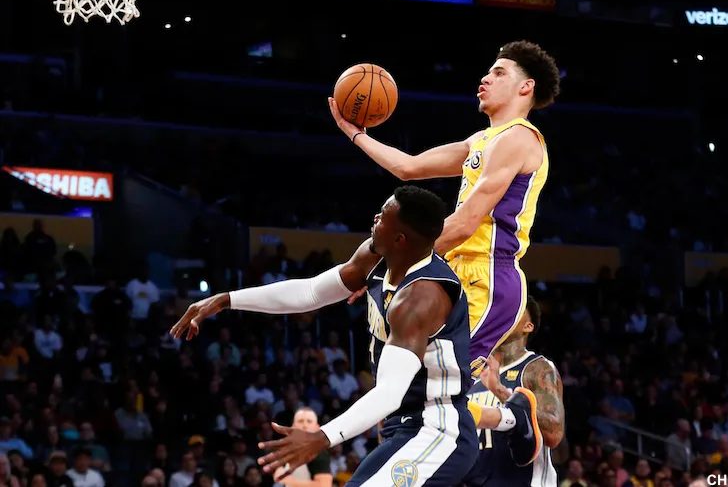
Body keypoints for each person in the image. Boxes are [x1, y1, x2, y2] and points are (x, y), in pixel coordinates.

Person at [171, 186, 537, 487]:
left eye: (383, 217)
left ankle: (516, 420)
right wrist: (227, 300)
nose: (374, 219)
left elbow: (389, 392)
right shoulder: (376, 257)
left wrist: (322, 437)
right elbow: (311, 292)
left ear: (400, 238)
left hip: (439, 430)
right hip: (402, 427)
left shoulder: (420, 299)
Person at [329, 41, 561, 376]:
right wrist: (354, 133)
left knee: (435, 385)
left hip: (488, 276)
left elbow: (465, 223)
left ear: (526, 87)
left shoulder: (519, 138)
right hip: (455, 268)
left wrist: (387, 265)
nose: (486, 78)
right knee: (414, 381)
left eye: (499, 73)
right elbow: (408, 167)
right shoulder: (480, 140)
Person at [465, 296, 565, 487]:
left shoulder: (536, 368)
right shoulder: (472, 374)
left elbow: (553, 434)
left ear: (528, 326)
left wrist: (500, 391)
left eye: (515, 309)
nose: (503, 313)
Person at [271, 408, 332, 487]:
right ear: (293, 427)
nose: (305, 425)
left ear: (317, 428)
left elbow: (325, 485)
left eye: (309, 421)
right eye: (300, 421)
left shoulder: (318, 452)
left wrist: (290, 481)